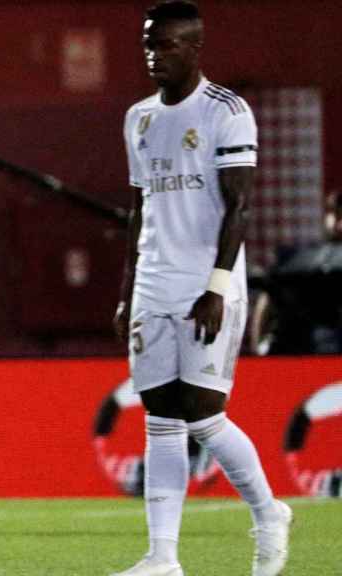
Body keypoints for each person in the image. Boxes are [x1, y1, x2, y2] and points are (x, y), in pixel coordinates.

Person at [110, 2, 291, 576]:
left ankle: (268, 512)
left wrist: (217, 286)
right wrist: (125, 291)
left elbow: (239, 207)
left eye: (163, 45)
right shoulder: (137, 117)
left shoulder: (227, 112)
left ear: (193, 47)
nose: (152, 55)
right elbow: (139, 209)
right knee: (160, 418)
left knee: (204, 415)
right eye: (146, 44)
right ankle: (163, 558)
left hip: (205, 283)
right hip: (153, 284)